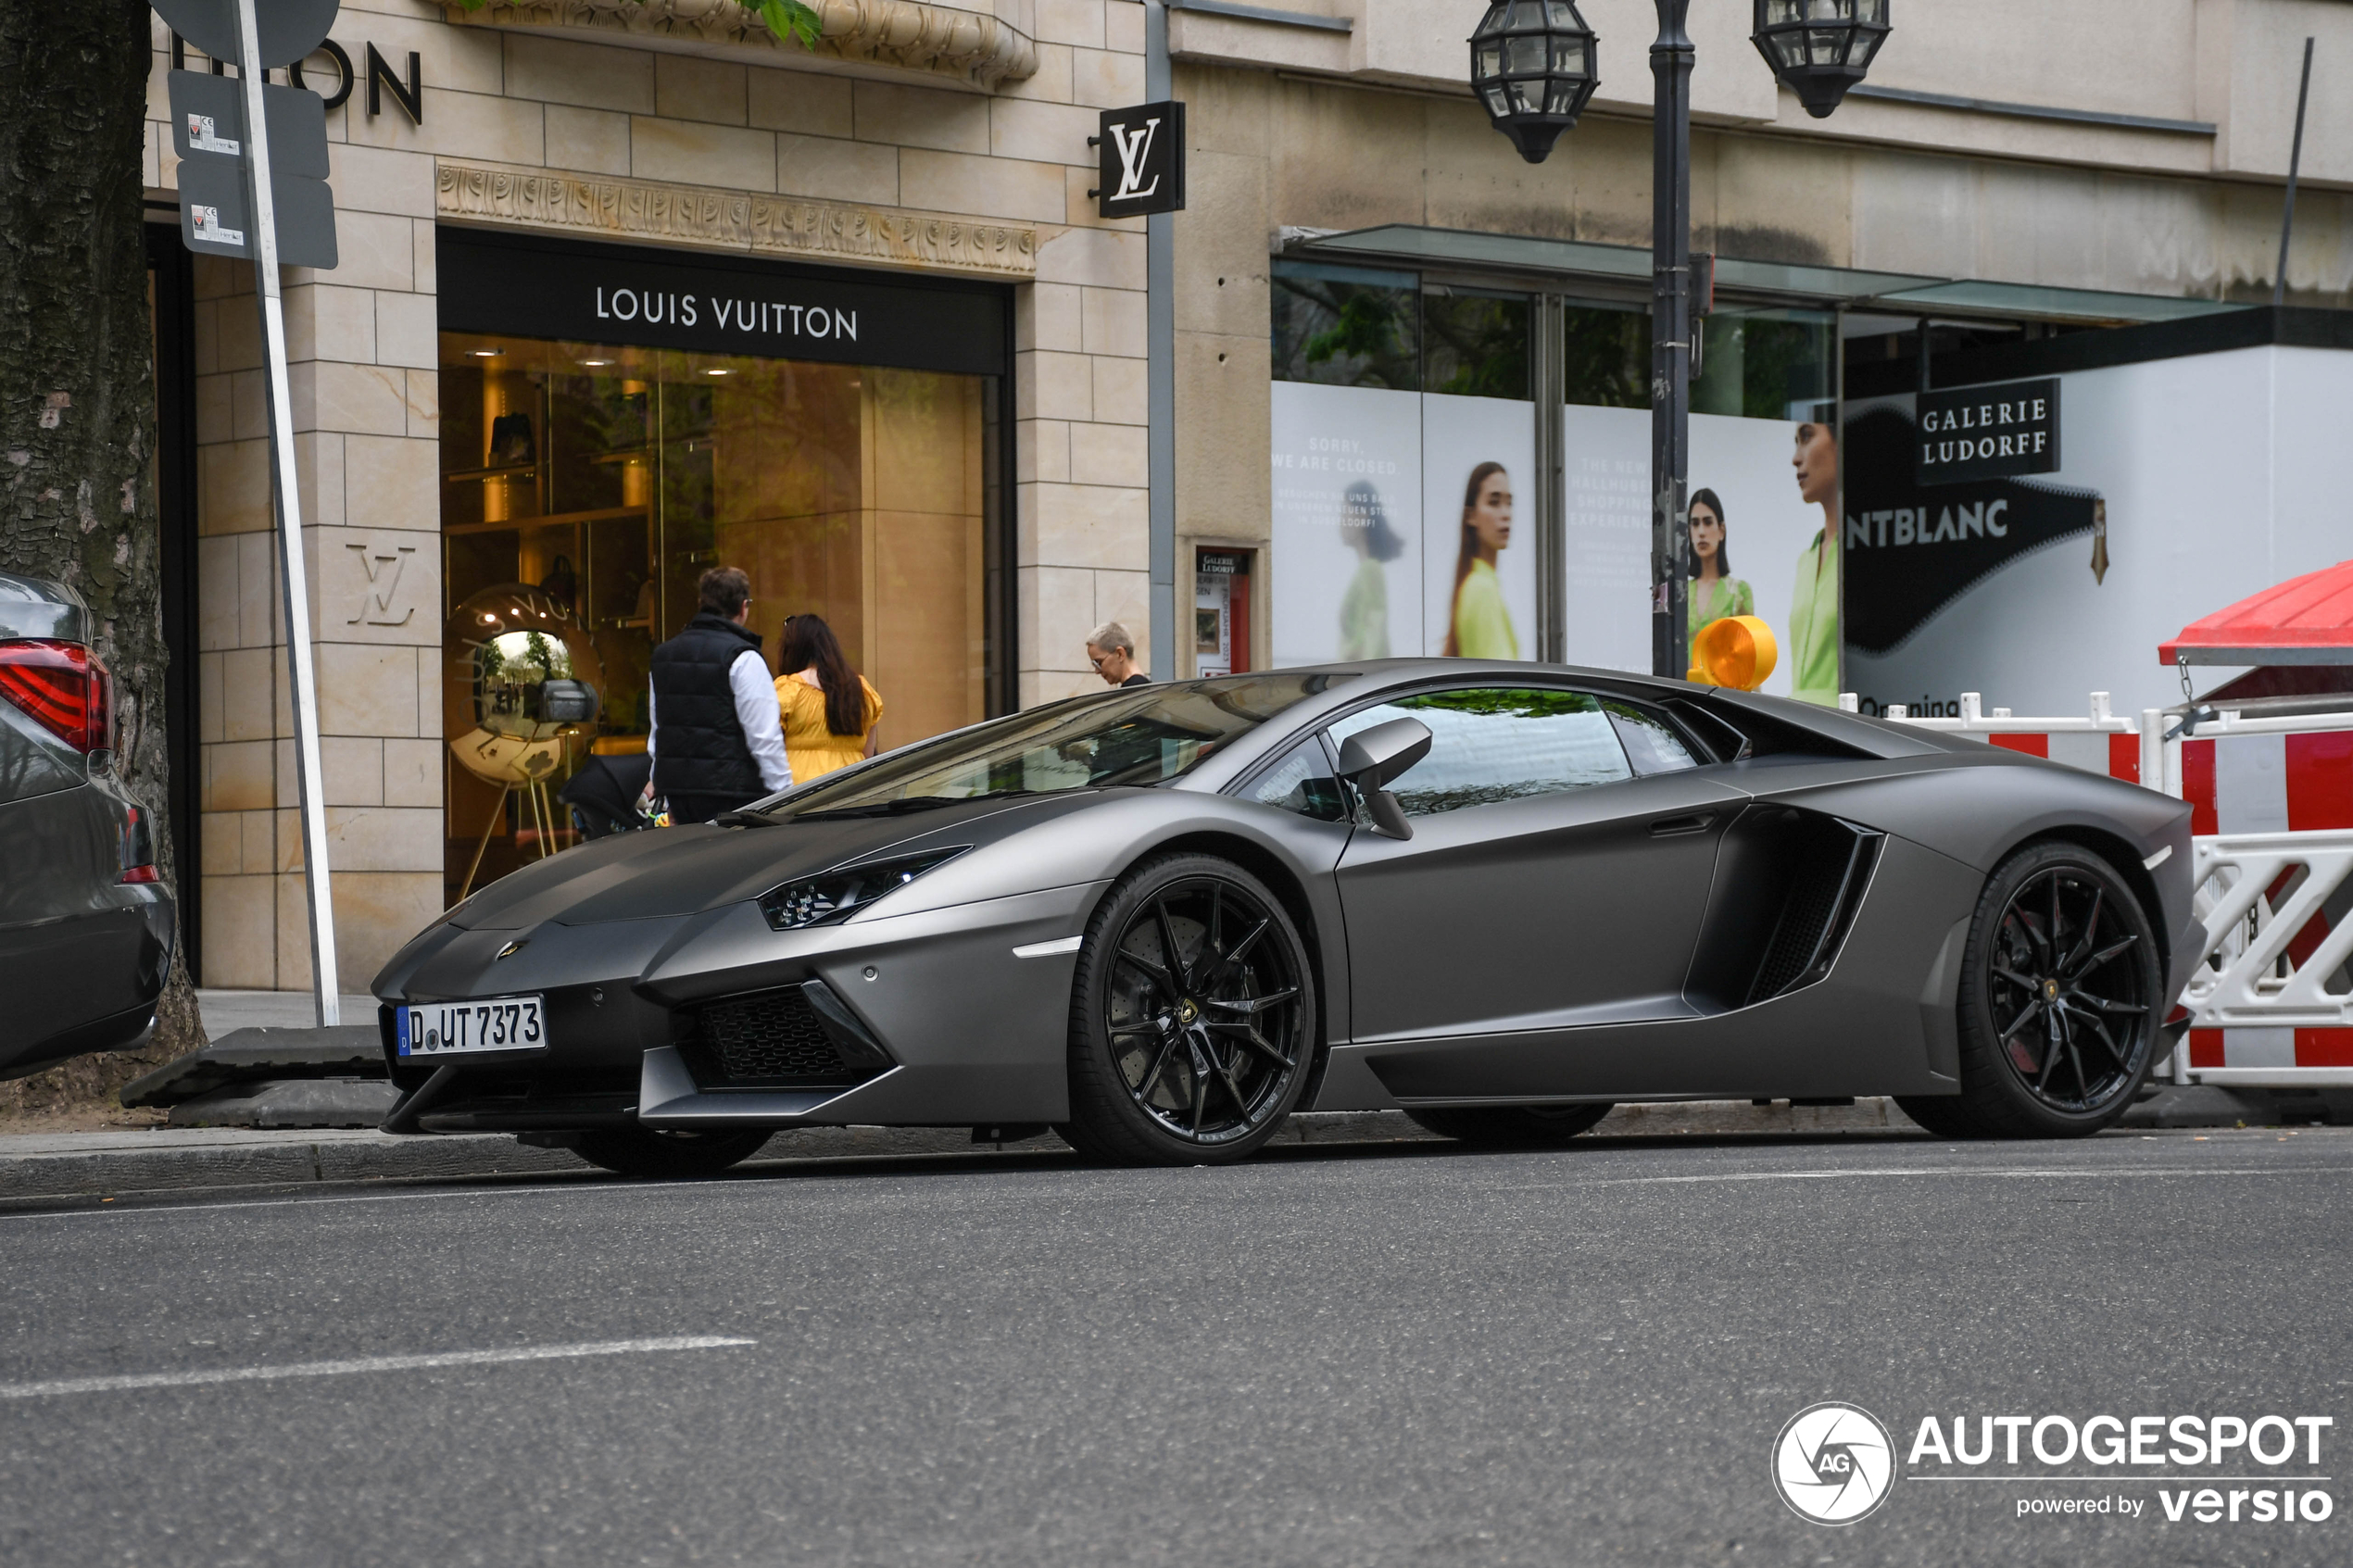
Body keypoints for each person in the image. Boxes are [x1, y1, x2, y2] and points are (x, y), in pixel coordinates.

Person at [644, 566, 790, 823]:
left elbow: (659, 731)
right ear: (744, 607)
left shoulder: (663, 656)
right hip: (732, 792)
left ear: (701, 603)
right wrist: (785, 795)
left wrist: (662, 785)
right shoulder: (743, 657)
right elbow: (764, 738)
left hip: (678, 791)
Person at [774, 612, 884, 784]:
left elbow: (768, 748)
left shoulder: (788, 689)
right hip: (851, 789)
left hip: (799, 791)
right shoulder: (863, 691)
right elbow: (868, 754)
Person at [1786, 418, 1842, 705]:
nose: (1796, 459)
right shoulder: (1805, 561)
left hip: (1854, 731)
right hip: (1802, 725)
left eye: (1807, 437)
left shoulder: (1865, 557)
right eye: (1796, 442)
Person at [1444, 460, 1518, 659]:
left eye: (1509, 503)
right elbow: (1503, 684)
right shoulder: (1481, 589)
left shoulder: (1477, 585)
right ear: (1471, 516)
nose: (1506, 514)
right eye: (1494, 502)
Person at [1685, 487, 1755, 662]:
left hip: (1722, 687)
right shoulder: (1681, 593)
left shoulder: (1739, 591)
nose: (1701, 531)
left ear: (1721, 530)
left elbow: (1749, 655)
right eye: (1695, 524)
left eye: (1708, 522)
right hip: (1682, 687)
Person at [1337, 480, 1403, 660]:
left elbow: (1375, 632)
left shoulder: (1370, 571)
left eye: (1345, 512)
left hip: (1362, 680)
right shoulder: (1365, 571)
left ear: (1362, 517)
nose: (1341, 521)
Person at [1087, 621, 1150, 685]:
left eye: (1098, 663)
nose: (1097, 671)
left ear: (1120, 654)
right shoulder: (1143, 688)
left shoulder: (1135, 690)